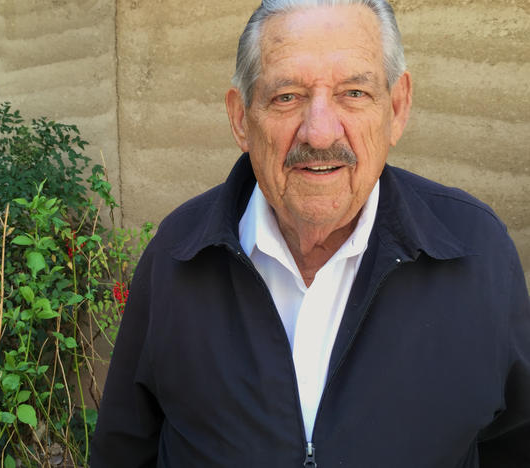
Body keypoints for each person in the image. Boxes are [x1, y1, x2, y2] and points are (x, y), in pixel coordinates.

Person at [91, 1, 530, 466]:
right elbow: (123, 450)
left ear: (397, 108)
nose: (319, 134)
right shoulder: (176, 257)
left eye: (354, 93)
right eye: (287, 96)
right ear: (242, 118)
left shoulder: (478, 254)